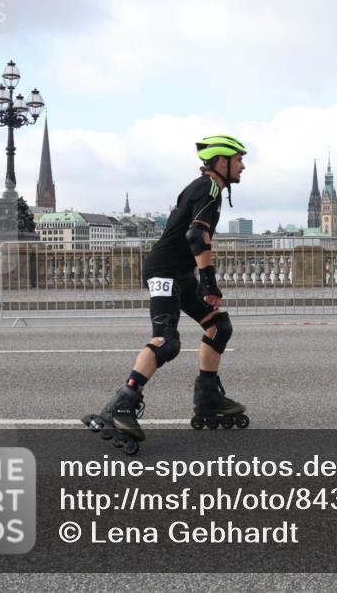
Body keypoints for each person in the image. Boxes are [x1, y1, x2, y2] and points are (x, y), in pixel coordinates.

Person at [84, 134, 249, 448]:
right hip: (164, 271)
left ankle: (208, 399)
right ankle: (121, 403)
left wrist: (200, 279)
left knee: (218, 326)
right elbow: (197, 236)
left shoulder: (206, 187)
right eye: (239, 159)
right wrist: (209, 282)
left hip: (181, 273)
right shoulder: (209, 188)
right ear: (222, 161)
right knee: (166, 341)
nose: (244, 165)